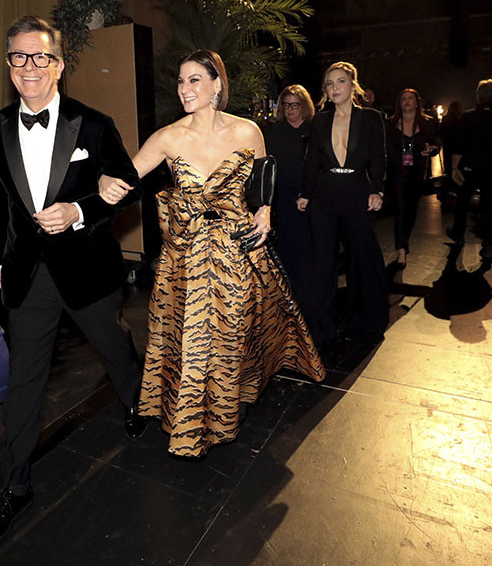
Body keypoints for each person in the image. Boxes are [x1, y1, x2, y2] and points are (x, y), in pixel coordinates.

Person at [0, 15, 146, 552]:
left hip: (86, 266)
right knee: (24, 378)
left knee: (113, 344)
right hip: (27, 272)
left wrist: (78, 209)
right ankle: (15, 487)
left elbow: (129, 185)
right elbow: (0, 201)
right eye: (19, 57)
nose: (30, 67)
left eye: (40, 57)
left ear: (59, 64)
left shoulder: (92, 124)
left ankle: (137, 400)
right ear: (8, 65)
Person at [99, 50, 324, 458]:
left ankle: (222, 412)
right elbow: (126, 176)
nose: (184, 89)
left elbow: (263, 183)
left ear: (217, 84)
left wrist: (266, 212)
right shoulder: (169, 137)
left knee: (229, 335)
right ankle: (191, 424)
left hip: (236, 250)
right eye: (181, 82)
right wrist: (100, 180)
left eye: (194, 80)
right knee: (192, 337)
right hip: (185, 256)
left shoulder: (248, 131)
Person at [296, 61, 389, 349]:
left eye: (340, 82)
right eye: (329, 84)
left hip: (356, 193)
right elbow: (312, 162)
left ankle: (367, 318)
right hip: (324, 195)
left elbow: (379, 158)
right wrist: (305, 194)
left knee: (362, 255)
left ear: (352, 85)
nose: (334, 88)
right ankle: (319, 323)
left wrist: (378, 190)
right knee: (322, 260)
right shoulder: (320, 121)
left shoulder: (372, 119)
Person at [447, 79, 492, 258]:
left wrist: (454, 168)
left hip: (469, 167)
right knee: (490, 207)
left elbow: (458, 146)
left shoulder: (467, 117)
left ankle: (458, 234)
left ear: (478, 96)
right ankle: (488, 245)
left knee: (462, 202)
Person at [264, 84, 316, 289]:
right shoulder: (275, 131)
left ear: (304, 105)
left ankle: (309, 281)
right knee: (287, 239)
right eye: (286, 105)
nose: (290, 109)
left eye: (294, 105)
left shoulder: (314, 129)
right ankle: (289, 284)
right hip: (284, 193)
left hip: (311, 192)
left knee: (310, 238)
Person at [386, 88, 440, 266]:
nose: (407, 101)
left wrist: (431, 149)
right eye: (403, 99)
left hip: (417, 173)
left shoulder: (428, 123)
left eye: (410, 98)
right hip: (397, 174)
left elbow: (436, 144)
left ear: (417, 102)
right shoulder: (390, 124)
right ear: (399, 104)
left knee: (411, 212)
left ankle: (404, 240)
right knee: (400, 209)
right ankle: (402, 250)